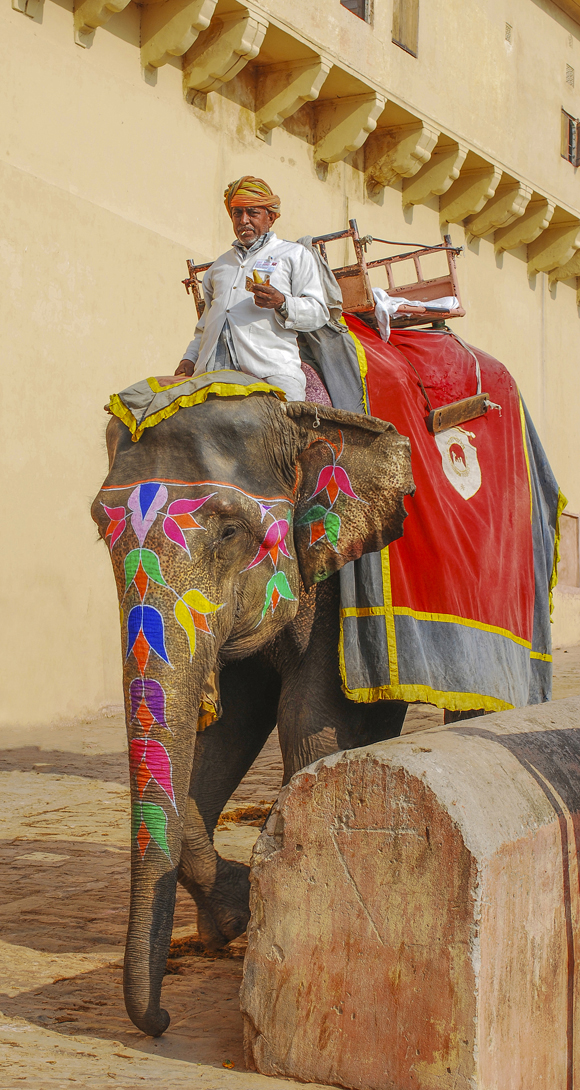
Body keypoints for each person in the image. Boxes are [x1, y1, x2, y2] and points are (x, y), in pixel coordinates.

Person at [175, 176, 329, 401]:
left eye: (252, 213)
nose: (243, 220)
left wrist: (283, 303)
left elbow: (319, 313)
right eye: (237, 213)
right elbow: (206, 324)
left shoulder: (294, 255)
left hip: (272, 372)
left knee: (292, 428)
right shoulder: (220, 266)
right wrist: (189, 358)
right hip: (212, 375)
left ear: (271, 217)